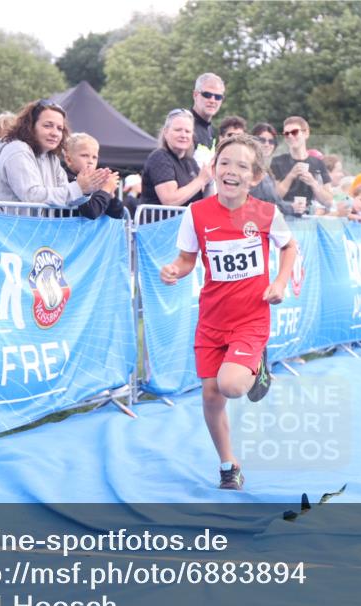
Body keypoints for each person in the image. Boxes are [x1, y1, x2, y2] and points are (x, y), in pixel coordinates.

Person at [159, 134, 297, 490]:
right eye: (225, 163)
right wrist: (176, 269)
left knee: (231, 384)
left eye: (241, 166)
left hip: (251, 317)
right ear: (214, 168)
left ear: (254, 177)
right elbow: (188, 259)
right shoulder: (197, 213)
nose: (231, 171)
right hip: (212, 320)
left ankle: (255, 369)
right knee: (210, 395)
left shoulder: (266, 214)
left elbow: (290, 246)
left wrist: (280, 282)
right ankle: (228, 464)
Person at [0, 99, 98, 211]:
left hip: (30, 227)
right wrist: (78, 188)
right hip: (5, 227)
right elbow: (32, 195)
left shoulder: (51, 158)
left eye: (59, 128)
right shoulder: (17, 150)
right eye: (48, 126)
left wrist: (86, 190)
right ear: (30, 126)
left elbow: (67, 197)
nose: (55, 133)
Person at [141, 108, 212, 207]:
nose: (183, 135)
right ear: (166, 132)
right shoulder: (159, 157)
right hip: (160, 222)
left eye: (187, 131)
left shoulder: (191, 163)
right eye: (178, 130)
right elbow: (169, 200)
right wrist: (201, 180)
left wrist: (210, 180)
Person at [270, 117, 332, 210]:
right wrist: (291, 175)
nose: (290, 136)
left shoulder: (318, 163)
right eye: (286, 134)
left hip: (308, 218)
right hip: (284, 217)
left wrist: (313, 183)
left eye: (294, 132)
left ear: (306, 133)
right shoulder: (277, 161)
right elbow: (273, 198)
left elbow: (329, 202)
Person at [62, 133, 123, 220]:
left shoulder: (95, 181)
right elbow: (92, 211)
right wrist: (106, 190)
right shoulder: (65, 178)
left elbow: (118, 214)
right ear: (68, 159)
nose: (90, 161)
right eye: (84, 155)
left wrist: (111, 195)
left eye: (94, 157)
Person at [248, 122, 294, 217]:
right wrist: (292, 208)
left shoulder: (266, 171)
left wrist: (292, 207)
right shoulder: (248, 167)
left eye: (271, 141)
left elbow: (275, 201)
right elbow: (269, 203)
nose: (267, 144)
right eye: (262, 140)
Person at [190, 73, 226, 153]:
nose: (212, 100)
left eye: (218, 97)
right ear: (195, 95)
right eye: (207, 95)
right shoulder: (184, 125)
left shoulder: (212, 131)